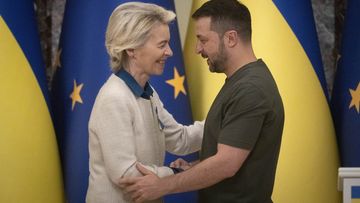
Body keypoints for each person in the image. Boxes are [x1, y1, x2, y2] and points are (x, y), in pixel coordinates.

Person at [118, 0, 285, 202]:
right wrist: (195, 168)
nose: (198, 49)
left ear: (231, 38)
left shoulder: (250, 89)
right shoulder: (240, 82)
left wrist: (162, 186)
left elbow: (226, 164)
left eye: (203, 40)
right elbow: (234, 154)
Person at [85, 2, 204, 203]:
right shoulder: (114, 98)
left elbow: (180, 139)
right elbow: (126, 173)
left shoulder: (148, 94)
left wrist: (224, 122)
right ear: (132, 48)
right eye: (162, 44)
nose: (169, 52)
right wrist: (176, 173)